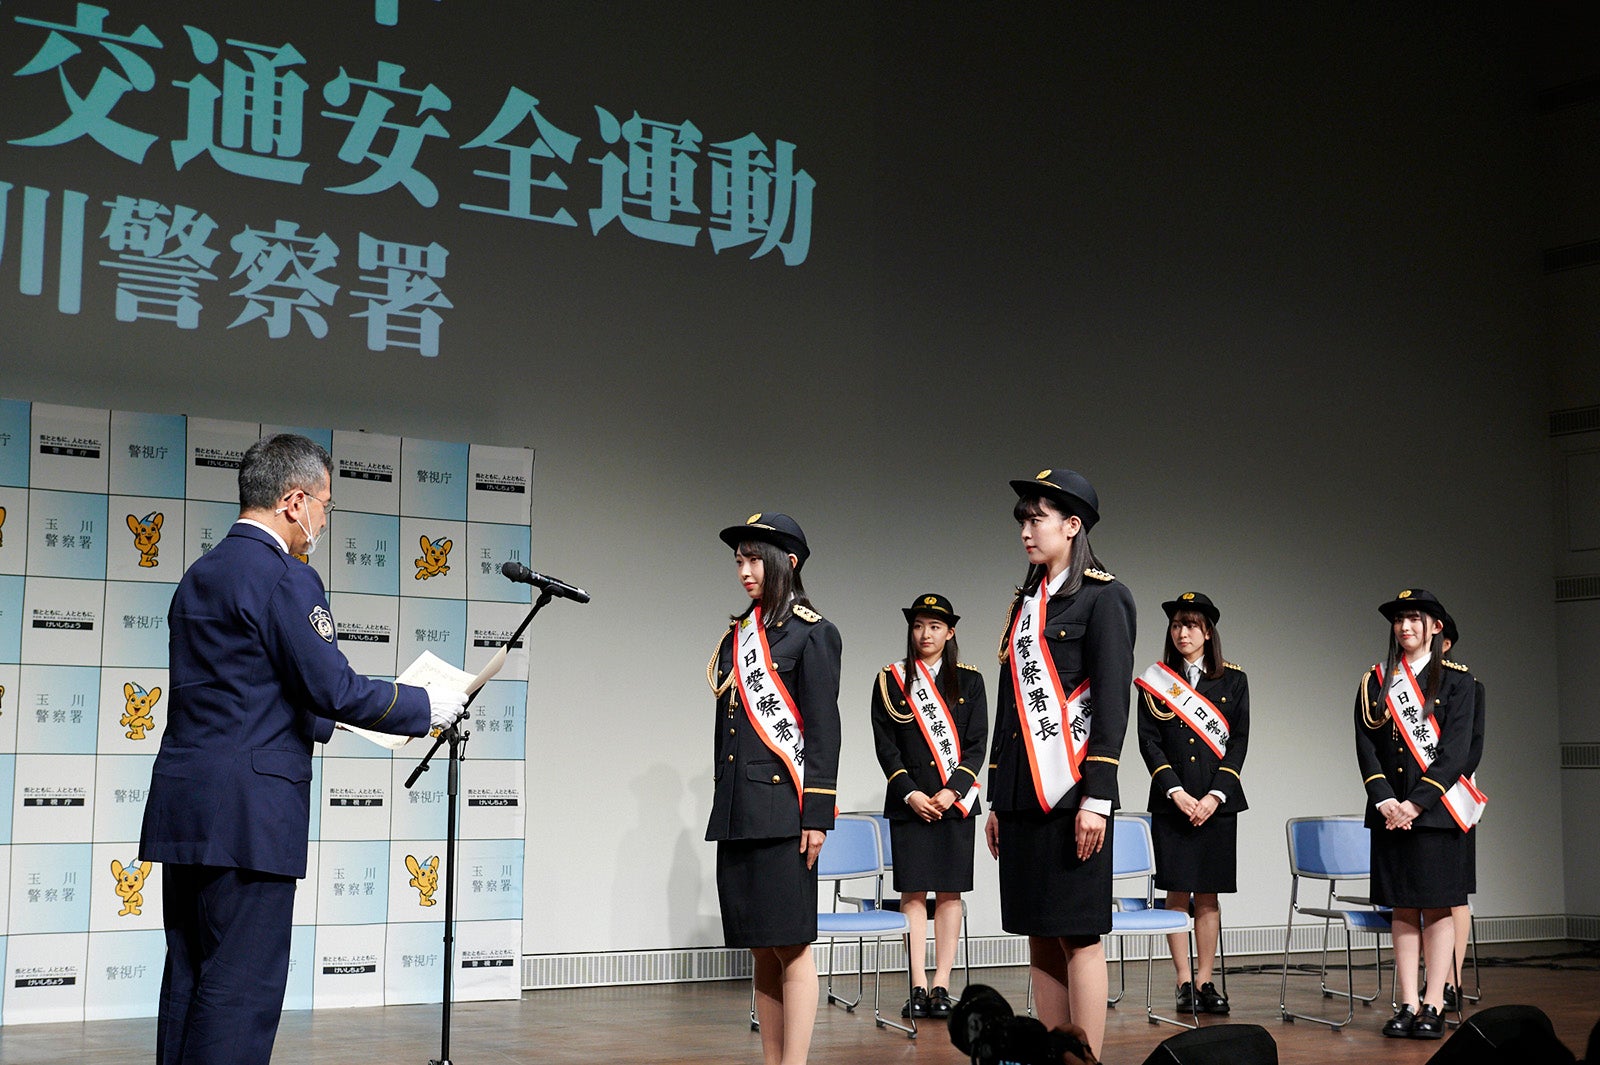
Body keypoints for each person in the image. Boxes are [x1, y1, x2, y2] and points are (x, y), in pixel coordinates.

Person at [139, 433, 466, 1065]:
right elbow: (332, 687)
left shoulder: (198, 575)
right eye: (324, 505)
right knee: (240, 992)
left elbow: (245, 688)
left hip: (185, 807)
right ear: (293, 502)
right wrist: (425, 707)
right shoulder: (287, 577)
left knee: (188, 977)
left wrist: (326, 718)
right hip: (251, 817)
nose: (323, 520)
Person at [984, 468, 1134, 1061]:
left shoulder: (1105, 597)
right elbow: (1008, 709)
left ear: (1073, 526)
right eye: (1022, 521)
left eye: (1037, 519)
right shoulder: (1025, 603)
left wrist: (1098, 797)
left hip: (1073, 795)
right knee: (1039, 931)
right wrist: (997, 798)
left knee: (1079, 933)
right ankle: (1054, 1056)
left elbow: (1112, 705)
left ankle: (1086, 1059)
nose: (1026, 531)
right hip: (1024, 794)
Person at [707, 513, 841, 1065]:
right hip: (738, 810)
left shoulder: (814, 632)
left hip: (785, 813)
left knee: (792, 944)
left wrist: (817, 816)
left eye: (753, 559)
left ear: (788, 562)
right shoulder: (737, 636)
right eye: (738, 560)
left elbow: (824, 730)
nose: (744, 570)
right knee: (760, 946)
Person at [1354, 588, 1479, 1040]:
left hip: (1436, 814)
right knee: (1402, 907)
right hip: (1390, 813)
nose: (1404, 627)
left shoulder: (1459, 682)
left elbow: (1456, 753)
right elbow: (1366, 747)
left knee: (1438, 906)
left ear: (1436, 627)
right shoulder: (1375, 681)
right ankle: (1406, 1002)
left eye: (1414, 619)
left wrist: (1416, 802)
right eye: (1399, 619)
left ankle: (1434, 1002)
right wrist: (1386, 799)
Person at [870, 593, 988, 1020]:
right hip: (910, 804)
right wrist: (911, 793)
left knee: (950, 892)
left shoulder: (970, 681)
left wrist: (953, 791)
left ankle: (942, 985)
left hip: (954, 804)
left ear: (950, 632)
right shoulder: (890, 680)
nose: (925, 634)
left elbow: (977, 744)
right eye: (919, 626)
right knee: (914, 890)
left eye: (935, 627)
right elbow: (886, 747)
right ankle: (917, 984)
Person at [1135, 591, 1249, 1015]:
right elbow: (1148, 742)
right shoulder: (1156, 680)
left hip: (1217, 804)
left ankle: (1205, 980)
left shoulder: (1233, 680)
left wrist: (1215, 795)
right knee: (1176, 891)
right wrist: (1177, 792)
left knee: (1208, 895)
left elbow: (1239, 742)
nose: (1183, 633)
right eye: (1177, 625)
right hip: (1173, 804)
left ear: (1208, 632)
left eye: (1192, 625)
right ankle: (1183, 981)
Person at [1439, 611, 1487, 1014]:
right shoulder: (1393, 684)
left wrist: (1434, 789)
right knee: (1421, 899)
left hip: (1452, 802)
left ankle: (1451, 980)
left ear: (1446, 642)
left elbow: (1471, 748)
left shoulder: (1467, 685)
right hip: (1412, 805)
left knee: (1455, 893)